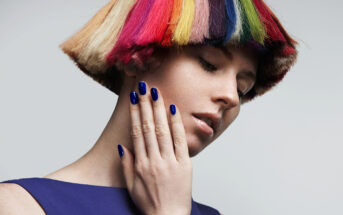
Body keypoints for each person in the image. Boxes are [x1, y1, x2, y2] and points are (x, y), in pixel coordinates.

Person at [0, 0, 298, 214]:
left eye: (242, 88)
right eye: (210, 64)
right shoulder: (20, 206)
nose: (231, 97)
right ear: (137, 57)